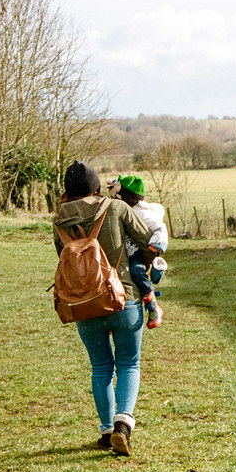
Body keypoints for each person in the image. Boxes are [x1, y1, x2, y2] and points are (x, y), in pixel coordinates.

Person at [53, 161, 155, 455]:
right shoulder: (117, 208)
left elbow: (63, 257)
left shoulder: (59, 217)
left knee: (100, 367)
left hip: (83, 302)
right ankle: (123, 423)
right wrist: (142, 270)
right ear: (97, 185)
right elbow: (147, 242)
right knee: (128, 363)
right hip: (124, 297)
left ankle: (107, 429)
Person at [114, 174, 169, 329]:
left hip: (136, 252)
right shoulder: (125, 209)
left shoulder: (143, 213)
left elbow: (160, 228)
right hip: (124, 251)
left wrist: (157, 244)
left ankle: (153, 306)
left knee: (136, 272)